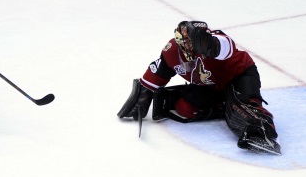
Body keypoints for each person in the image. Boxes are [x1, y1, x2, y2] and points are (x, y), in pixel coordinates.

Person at [117, 20, 280, 155]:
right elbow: (159, 70)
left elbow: (223, 47)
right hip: (211, 86)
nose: (188, 46)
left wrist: (206, 43)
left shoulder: (215, 41)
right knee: (184, 108)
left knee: (246, 108)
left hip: (240, 75)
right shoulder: (172, 50)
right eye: (185, 42)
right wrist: (144, 91)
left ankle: (262, 133)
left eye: (191, 41)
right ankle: (225, 105)